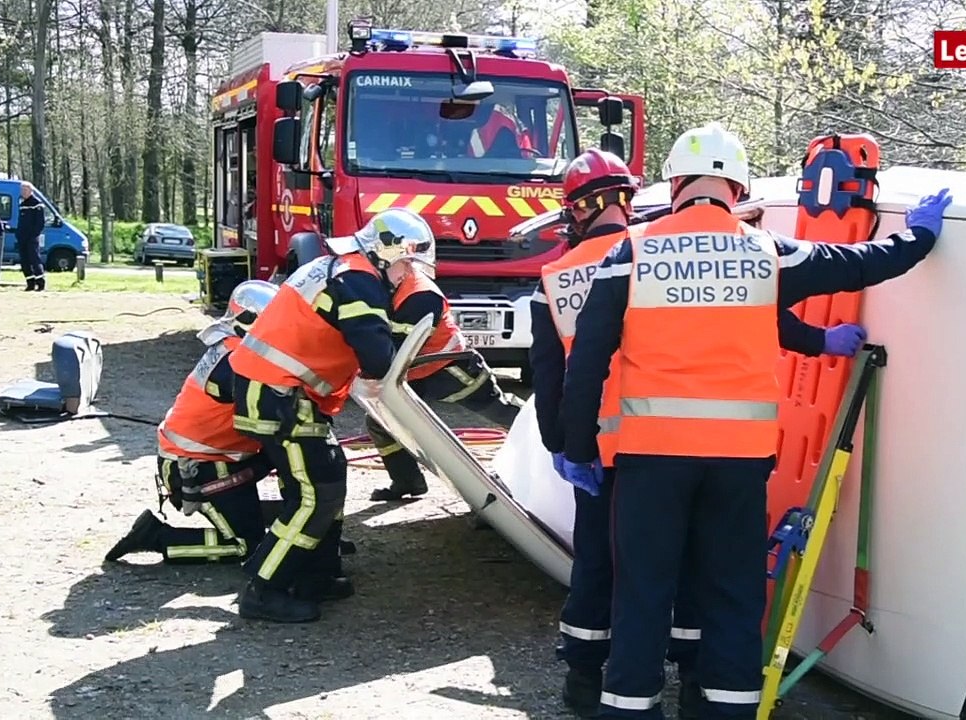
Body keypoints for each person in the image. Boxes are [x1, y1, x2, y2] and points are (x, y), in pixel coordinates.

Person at [559, 122, 952, 718]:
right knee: (732, 592)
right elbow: (856, 265)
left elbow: (588, 357)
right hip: (737, 462)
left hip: (651, 458)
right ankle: (725, 706)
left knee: (642, 592)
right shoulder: (767, 251)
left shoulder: (631, 252)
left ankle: (629, 708)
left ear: (675, 184)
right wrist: (917, 240)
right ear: (736, 187)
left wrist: (577, 444)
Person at [530, 149, 868, 719]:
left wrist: (564, 444)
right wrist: (819, 339)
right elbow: (756, 315)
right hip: (676, 444)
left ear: (575, 209)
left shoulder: (569, 273)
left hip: (613, 447)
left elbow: (554, 369)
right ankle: (694, 679)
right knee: (691, 567)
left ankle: (591, 682)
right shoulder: (667, 249)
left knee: (607, 570)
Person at [227, 210, 424, 623]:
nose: (408, 275)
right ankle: (263, 589)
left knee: (329, 476)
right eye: (407, 264)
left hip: (281, 391)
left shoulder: (342, 267)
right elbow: (377, 357)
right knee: (317, 493)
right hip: (279, 394)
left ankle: (316, 574)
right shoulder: (359, 281)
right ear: (387, 254)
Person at [105, 281, 280, 565]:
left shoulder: (234, 347)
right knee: (245, 547)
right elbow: (271, 411)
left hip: (215, 458)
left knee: (278, 457)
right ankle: (157, 538)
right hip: (196, 466)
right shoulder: (237, 363)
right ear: (250, 321)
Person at [367, 224, 523, 501]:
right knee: (380, 421)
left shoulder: (419, 294)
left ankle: (546, 435)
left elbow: (394, 348)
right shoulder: (390, 283)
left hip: (450, 367)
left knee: (501, 411)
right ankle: (408, 482)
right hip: (413, 372)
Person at [15, 181, 47, 291]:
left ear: (30, 190)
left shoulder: (37, 204)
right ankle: (30, 283)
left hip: (32, 238)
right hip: (22, 237)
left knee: (34, 259)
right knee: (24, 261)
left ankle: (40, 282)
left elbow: (40, 223)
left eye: (25, 190)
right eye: (22, 190)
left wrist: (33, 235)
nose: (23, 192)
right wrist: (18, 234)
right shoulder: (22, 204)